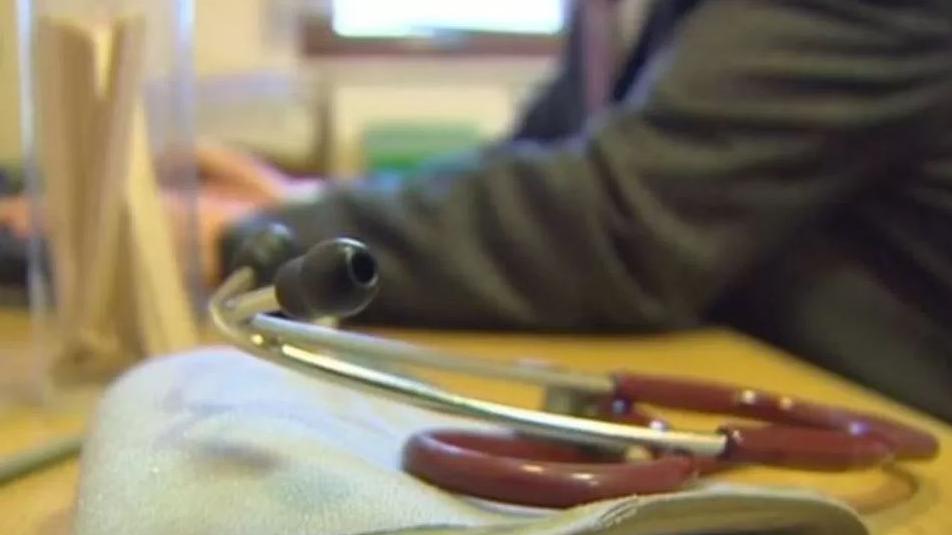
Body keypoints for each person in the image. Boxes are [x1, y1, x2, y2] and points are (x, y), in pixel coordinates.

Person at [9, 1, 952, 420]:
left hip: (891, 422)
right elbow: (530, 166)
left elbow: (613, 223)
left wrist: (227, 231)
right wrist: (301, 201)